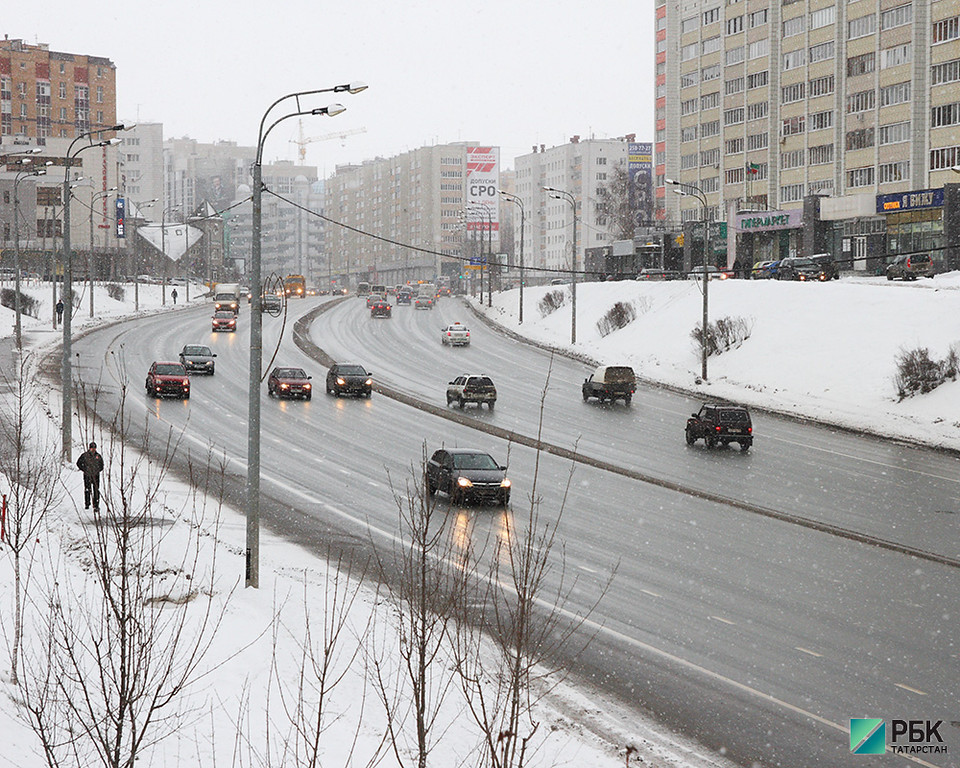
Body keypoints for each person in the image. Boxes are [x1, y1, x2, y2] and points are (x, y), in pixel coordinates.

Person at [77, 441, 104, 511]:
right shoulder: (85, 455)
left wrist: (97, 470)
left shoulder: (98, 456)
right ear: (89, 448)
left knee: (96, 490)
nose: (93, 449)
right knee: (87, 490)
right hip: (87, 475)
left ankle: (96, 505)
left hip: (96, 476)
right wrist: (84, 469)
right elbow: (78, 463)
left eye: (94, 448)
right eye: (92, 448)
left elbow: (102, 465)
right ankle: (87, 503)